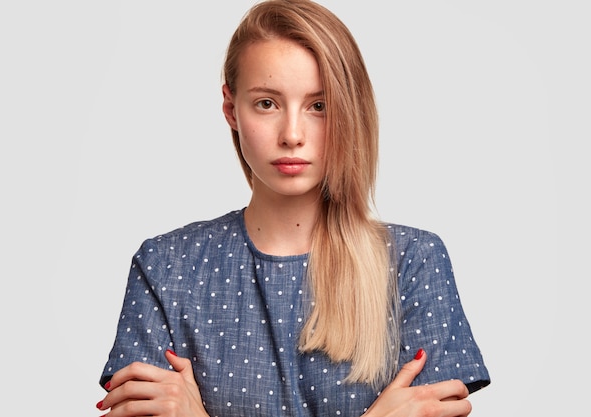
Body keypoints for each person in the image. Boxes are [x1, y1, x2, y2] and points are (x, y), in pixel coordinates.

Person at [96, 0, 491, 415]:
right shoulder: (166, 267)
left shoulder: (413, 264)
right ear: (232, 108)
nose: (292, 134)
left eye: (319, 106)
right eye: (267, 103)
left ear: (349, 111)